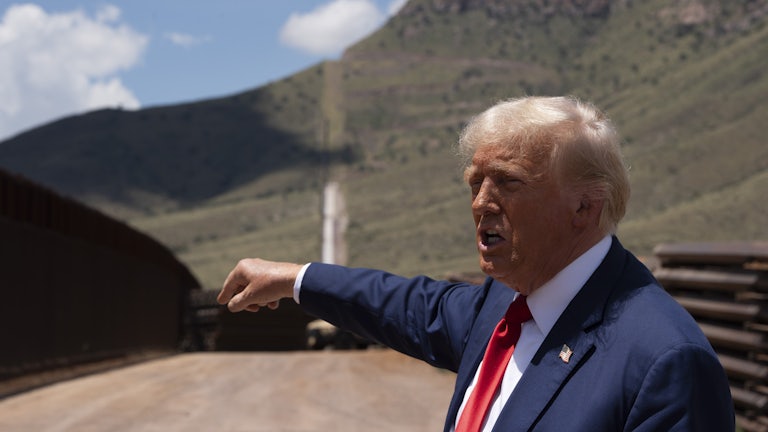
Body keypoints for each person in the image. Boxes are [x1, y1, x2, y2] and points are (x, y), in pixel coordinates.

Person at [218, 96, 735, 431]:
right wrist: (296, 278)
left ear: (585, 207)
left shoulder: (664, 361)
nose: (480, 203)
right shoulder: (506, 304)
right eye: (474, 183)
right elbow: (407, 306)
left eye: (507, 182)